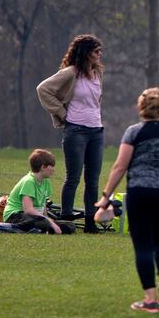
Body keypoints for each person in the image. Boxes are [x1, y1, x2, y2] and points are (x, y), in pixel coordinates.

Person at [96, 88, 159, 313]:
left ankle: (150, 299)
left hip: (141, 191)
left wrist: (105, 197)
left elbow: (120, 166)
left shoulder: (134, 132)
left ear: (140, 108)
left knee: (143, 245)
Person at [36, 34, 105, 233]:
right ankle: (66, 220)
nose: (99, 55)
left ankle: (91, 223)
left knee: (93, 180)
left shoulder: (98, 73)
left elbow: (95, 102)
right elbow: (43, 89)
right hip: (76, 130)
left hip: (96, 131)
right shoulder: (70, 73)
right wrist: (62, 113)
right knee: (73, 177)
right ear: (85, 53)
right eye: (96, 51)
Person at [2, 149, 76, 234]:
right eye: (51, 166)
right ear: (43, 167)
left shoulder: (45, 181)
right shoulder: (29, 181)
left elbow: (43, 203)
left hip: (34, 217)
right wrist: (49, 222)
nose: (53, 169)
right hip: (16, 215)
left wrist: (47, 218)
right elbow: (28, 210)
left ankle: (42, 230)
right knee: (43, 223)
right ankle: (11, 227)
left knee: (70, 226)